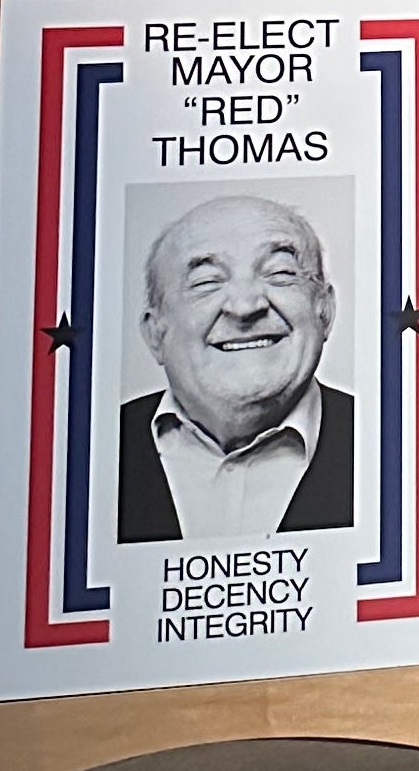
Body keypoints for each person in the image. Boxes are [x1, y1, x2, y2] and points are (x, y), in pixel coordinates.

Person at [118, 194, 353, 543]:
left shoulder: (394, 440)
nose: (245, 306)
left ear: (325, 311)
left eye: (280, 273)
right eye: (206, 282)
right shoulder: (88, 453)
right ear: (155, 332)